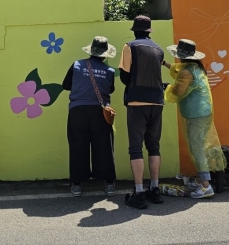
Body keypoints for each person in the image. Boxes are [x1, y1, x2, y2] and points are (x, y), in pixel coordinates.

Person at [164, 39, 226, 199]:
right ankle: (202, 179)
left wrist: (165, 87)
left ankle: (206, 186)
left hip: (196, 114)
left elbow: (177, 91)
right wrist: (164, 63)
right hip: (203, 112)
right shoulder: (196, 67)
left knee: (197, 148)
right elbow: (177, 69)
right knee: (199, 146)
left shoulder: (187, 72)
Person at [119, 15, 165, 209]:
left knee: (136, 148)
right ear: (149, 32)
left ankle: (139, 192)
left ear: (135, 31)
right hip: (157, 101)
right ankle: (154, 188)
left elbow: (124, 76)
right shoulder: (159, 50)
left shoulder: (130, 47)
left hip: (137, 102)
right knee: (154, 146)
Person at [62, 36, 117, 197]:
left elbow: (66, 85)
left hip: (78, 110)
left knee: (78, 146)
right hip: (100, 111)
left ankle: (77, 185)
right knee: (104, 147)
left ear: (91, 51)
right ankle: (108, 184)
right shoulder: (110, 71)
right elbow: (110, 90)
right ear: (105, 54)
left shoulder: (77, 65)